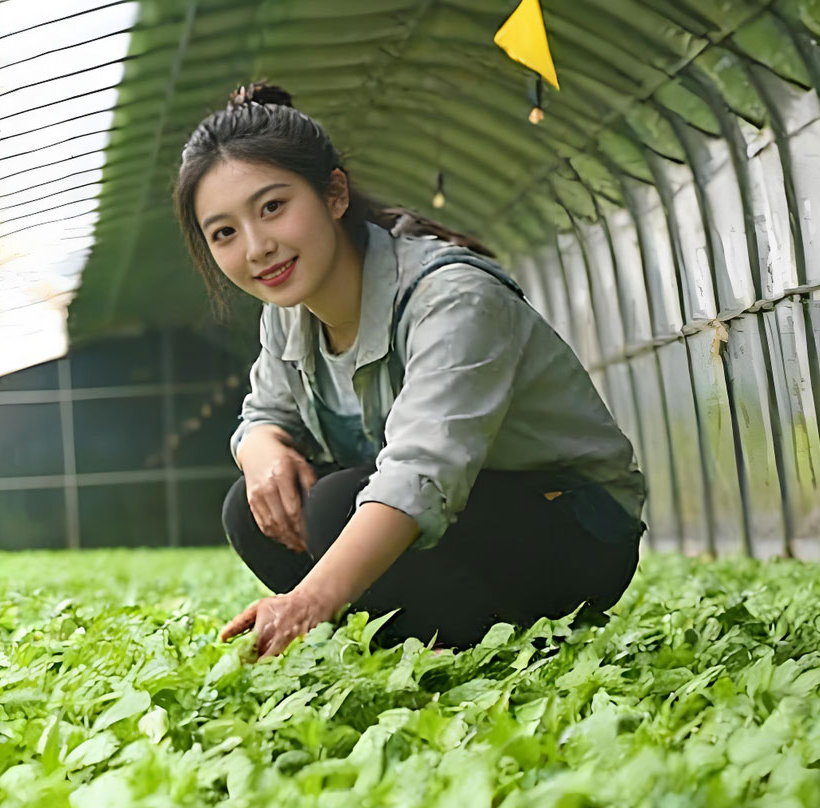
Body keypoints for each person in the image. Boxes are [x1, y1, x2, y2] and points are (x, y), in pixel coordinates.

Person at [175, 82, 648, 658]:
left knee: (331, 507)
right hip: (456, 521)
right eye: (224, 233)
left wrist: (309, 599)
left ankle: (497, 635)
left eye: (273, 208)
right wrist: (262, 451)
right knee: (253, 510)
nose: (256, 248)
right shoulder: (287, 314)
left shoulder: (452, 297)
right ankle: (429, 642)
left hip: (574, 525)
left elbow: (423, 470)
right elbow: (264, 414)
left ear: (334, 195)